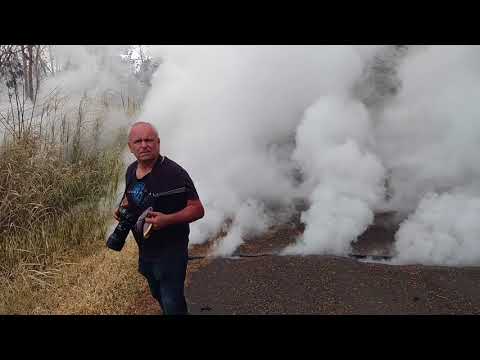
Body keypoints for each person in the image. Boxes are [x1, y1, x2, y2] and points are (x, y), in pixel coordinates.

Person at [114, 121, 204, 315]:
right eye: (138, 141)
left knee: (172, 302)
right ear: (130, 147)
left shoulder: (175, 173)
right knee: (158, 294)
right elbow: (130, 198)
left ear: (158, 143)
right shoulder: (131, 171)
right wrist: (122, 209)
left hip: (172, 251)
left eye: (149, 140)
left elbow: (197, 209)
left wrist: (167, 220)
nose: (144, 145)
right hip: (146, 250)